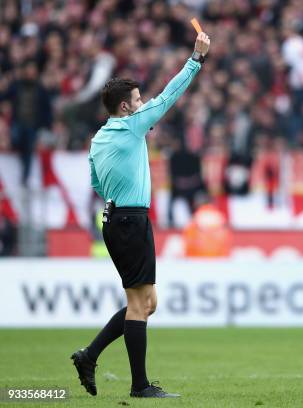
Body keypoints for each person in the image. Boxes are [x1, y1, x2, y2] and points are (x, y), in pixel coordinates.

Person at [70, 31, 210, 398]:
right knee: (139, 304)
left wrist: (121, 190)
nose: (142, 102)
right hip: (131, 220)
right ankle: (140, 386)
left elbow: (96, 182)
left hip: (117, 219)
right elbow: (167, 98)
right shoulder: (131, 126)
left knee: (148, 303)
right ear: (125, 108)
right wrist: (195, 60)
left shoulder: (99, 139)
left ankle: (89, 355)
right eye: (137, 99)